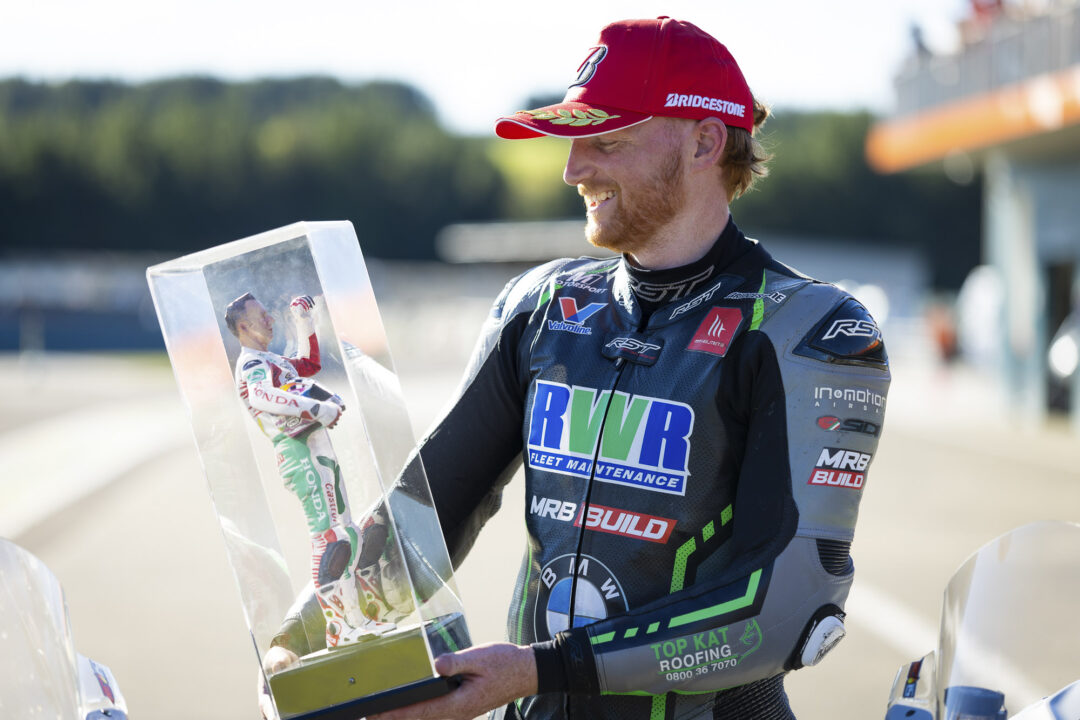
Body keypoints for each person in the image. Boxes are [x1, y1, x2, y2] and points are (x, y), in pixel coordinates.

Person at [266, 16, 890, 720]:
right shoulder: (541, 306)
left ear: (705, 141)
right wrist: (312, 625)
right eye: (572, 142)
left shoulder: (810, 330)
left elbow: (787, 606)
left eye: (607, 139)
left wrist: (544, 669)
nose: (573, 169)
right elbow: (429, 507)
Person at [225, 292, 394, 650]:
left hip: (316, 448)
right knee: (330, 539)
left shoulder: (270, 359)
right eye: (261, 316)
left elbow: (309, 363)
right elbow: (261, 395)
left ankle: (354, 620)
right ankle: (337, 627)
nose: (270, 320)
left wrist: (304, 322)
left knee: (346, 534)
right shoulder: (252, 364)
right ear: (243, 327)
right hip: (297, 451)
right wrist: (315, 409)